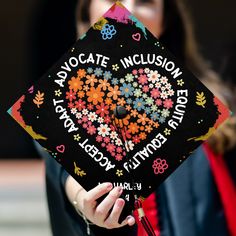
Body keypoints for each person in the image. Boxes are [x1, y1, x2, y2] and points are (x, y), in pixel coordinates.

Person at [36, 0, 236, 235]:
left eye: (145, 1)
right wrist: (85, 200)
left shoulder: (209, 106)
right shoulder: (63, 106)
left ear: (166, 19)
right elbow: (65, 168)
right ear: (86, 13)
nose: (128, 10)